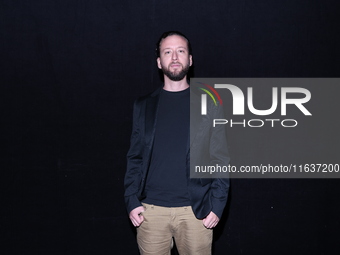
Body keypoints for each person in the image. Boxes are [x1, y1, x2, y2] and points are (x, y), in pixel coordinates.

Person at [124, 31, 230, 255]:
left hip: (196, 212)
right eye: (167, 52)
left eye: (180, 51)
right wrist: (131, 199)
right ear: (159, 61)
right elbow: (135, 157)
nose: (174, 57)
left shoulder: (210, 104)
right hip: (150, 212)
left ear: (190, 60)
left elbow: (220, 159)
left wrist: (218, 205)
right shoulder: (143, 106)